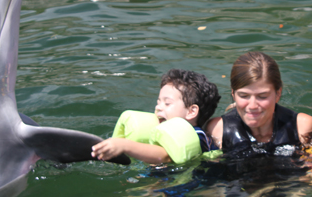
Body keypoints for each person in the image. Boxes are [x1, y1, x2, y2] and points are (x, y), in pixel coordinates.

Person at [91, 69, 221, 165]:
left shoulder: (198, 136)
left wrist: (124, 145)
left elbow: (165, 156)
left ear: (191, 111)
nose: (158, 107)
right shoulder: (162, 132)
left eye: (167, 103)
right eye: (158, 102)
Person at [206, 51, 312, 156]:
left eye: (262, 96)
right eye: (244, 96)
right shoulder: (218, 131)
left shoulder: (303, 129)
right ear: (233, 94)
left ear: (278, 94)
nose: (252, 106)